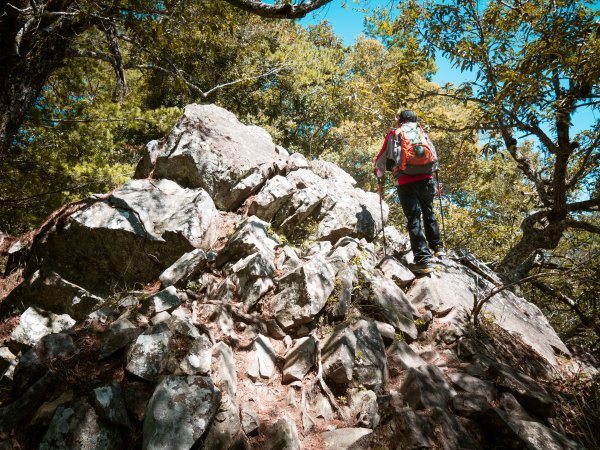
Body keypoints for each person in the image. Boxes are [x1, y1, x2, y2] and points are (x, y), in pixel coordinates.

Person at [374, 109, 445, 274]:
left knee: (414, 219)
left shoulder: (394, 133)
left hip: (405, 181)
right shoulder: (422, 132)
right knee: (429, 212)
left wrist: (378, 172)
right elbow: (433, 155)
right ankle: (438, 247)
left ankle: (423, 260)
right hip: (426, 179)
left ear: (400, 120)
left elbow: (382, 157)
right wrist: (433, 172)